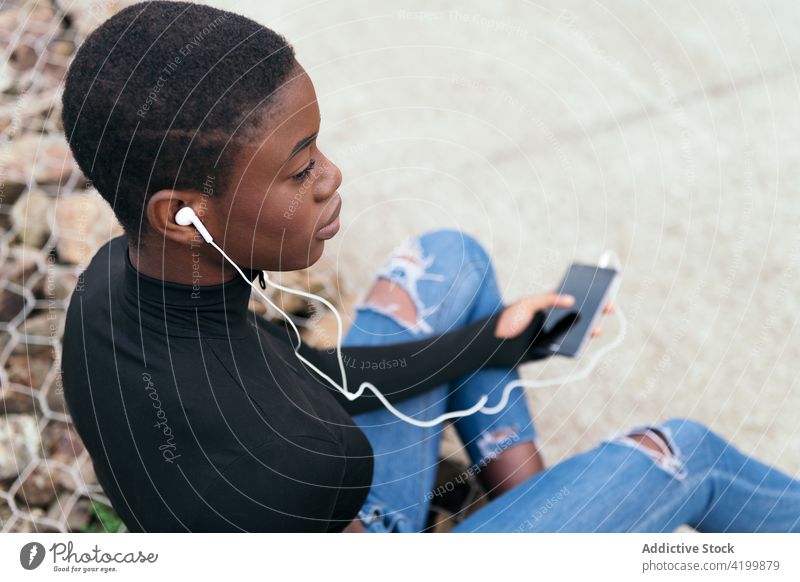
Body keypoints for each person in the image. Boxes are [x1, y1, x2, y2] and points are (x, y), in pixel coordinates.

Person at [58, 1, 800, 533]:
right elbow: (302, 403)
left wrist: (495, 341)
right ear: (182, 215)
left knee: (451, 261)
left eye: (318, 147)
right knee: (679, 454)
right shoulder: (303, 455)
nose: (332, 176)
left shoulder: (109, 287)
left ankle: (533, 500)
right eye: (298, 170)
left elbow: (303, 376)